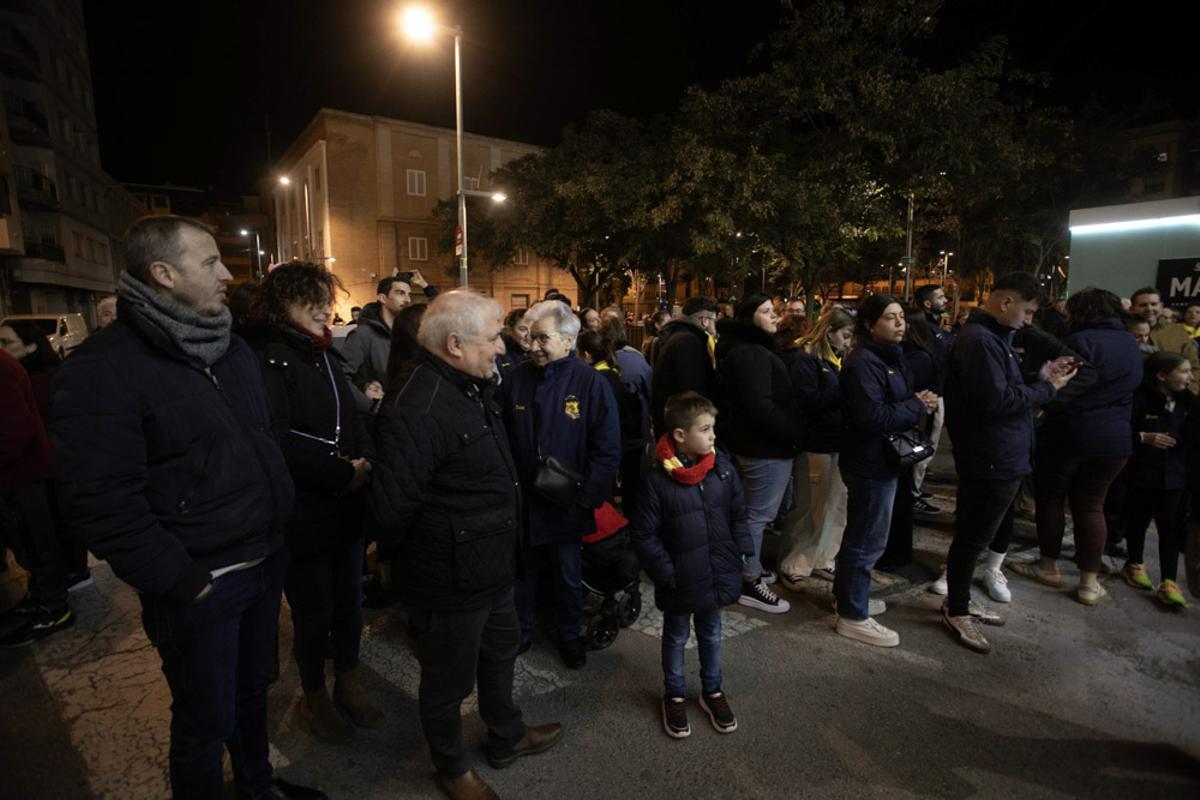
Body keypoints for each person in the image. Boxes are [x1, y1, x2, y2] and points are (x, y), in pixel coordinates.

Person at [49, 216, 321, 800]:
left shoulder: (231, 348)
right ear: (163, 274)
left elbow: (263, 440)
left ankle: (256, 786)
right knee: (205, 720)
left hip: (262, 561)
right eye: (210, 263)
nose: (228, 273)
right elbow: (98, 500)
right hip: (201, 585)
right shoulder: (102, 369)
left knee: (252, 694)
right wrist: (182, 579)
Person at [370, 290, 562, 800]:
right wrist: (430, 566)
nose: (503, 348)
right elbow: (391, 511)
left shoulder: (467, 385)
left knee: (500, 653)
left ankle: (506, 735)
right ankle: (452, 768)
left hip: (491, 565)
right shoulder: (418, 404)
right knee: (448, 681)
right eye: (495, 337)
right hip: (450, 578)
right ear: (454, 344)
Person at [242, 263, 381, 745]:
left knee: (349, 600)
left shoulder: (322, 352)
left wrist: (365, 458)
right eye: (312, 300)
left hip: (344, 506)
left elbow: (352, 415)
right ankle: (315, 693)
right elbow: (276, 439)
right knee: (312, 609)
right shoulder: (267, 356)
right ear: (283, 305)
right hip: (303, 510)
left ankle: (348, 678)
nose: (326, 307)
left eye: (327, 298)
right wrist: (345, 472)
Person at [941, 272, 1075, 654]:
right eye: (1028, 311)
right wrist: (1046, 389)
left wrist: (1040, 377)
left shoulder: (990, 339)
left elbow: (1003, 391)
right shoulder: (980, 341)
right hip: (991, 457)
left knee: (975, 535)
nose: (1028, 320)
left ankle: (960, 601)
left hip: (1002, 454)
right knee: (972, 537)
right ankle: (958, 607)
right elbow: (996, 402)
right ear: (1005, 303)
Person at [501, 300, 621, 668]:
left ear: (568, 342)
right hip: (524, 503)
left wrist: (587, 498)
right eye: (530, 338)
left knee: (568, 575)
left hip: (567, 504)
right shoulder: (516, 379)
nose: (533, 346)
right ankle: (521, 633)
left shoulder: (590, 383)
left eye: (542, 339)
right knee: (524, 573)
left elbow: (607, 446)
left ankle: (569, 635)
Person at [631, 392, 752, 739]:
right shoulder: (657, 479)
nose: (714, 435)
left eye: (713, 428)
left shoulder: (722, 470)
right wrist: (668, 574)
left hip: (715, 573)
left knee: (712, 632)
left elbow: (738, 516)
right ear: (681, 436)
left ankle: (712, 690)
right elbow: (645, 535)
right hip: (681, 579)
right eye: (705, 429)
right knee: (676, 635)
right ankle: (675, 692)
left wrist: (741, 553)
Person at [1008, 288, 1141, 606]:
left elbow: (1059, 387)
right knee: (1092, 506)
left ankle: (1048, 565)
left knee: (1051, 500)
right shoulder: (1129, 343)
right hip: (1114, 440)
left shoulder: (1080, 342)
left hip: (1070, 433)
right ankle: (1088, 582)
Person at [835, 295, 937, 646]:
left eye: (901, 317)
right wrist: (916, 404)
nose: (900, 324)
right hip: (869, 462)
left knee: (867, 537)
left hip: (882, 461)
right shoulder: (863, 362)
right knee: (866, 540)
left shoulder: (888, 358)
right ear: (869, 324)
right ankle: (852, 615)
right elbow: (872, 417)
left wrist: (913, 401)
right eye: (890, 318)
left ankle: (850, 599)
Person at [715, 293, 804, 614]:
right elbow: (759, 406)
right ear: (748, 316)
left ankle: (746, 569)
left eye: (773, 311)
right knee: (757, 515)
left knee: (750, 513)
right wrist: (793, 432)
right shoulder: (751, 352)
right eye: (766, 312)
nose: (774, 317)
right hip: (764, 447)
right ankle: (748, 580)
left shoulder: (747, 349)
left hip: (757, 444)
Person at [0, 321, 89, 590]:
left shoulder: (40, 378)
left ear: (30, 346)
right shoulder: (17, 373)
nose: (2, 348)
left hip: (43, 468)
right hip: (38, 469)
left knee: (46, 535)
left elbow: (19, 429)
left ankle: (59, 589)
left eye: (7, 343)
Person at [0, 349, 73, 648]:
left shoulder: (2, 369)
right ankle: (40, 595)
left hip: (21, 475)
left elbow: (15, 430)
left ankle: (55, 608)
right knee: (27, 541)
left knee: (35, 540)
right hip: (17, 474)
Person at [777, 305, 853, 589]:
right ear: (829, 332)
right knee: (812, 504)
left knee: (837, 505)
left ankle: (824, 557)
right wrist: (843, 389)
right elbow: (806, 401)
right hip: (817, 441)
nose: (848, 342)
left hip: (840, 441)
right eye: (845, 335)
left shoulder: (841, 359)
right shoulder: (806, 360)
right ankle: (796, 560)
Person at [1120, 351, 1193, 608]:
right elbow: (1122, 430)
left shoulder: (1189, 402)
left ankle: (1169, 580)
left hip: (1175, 475)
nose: (1190, 377)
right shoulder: (1140, 399)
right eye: (1184, 371)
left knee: (1170, 527)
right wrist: (1143, 437)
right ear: (1162, 375)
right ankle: (1134, 563)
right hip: (1143, 471)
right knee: (1138, 519)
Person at [342, 271, 436, 412]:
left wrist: (425, 285)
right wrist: (371, 404)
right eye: (400, 293)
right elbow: (342, 376)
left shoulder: (410, 331)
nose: (407, 300)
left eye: (408, 294)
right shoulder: (362, 334)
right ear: (382, 298)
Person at [601, 316, 653, 512]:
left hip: (607, 431)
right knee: (633, 480)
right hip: (635, 429)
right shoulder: (635, 359)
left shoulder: (597, 361)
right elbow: (649, 390)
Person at [912, 284, 954, 514]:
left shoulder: (934, 329)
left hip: (934, 394)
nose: (945, 299)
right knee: (922, 446)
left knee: (927, 446)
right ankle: (912, 492)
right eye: (940, 297)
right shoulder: (927, 330)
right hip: (929, 397)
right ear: (927, 304)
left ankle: (915, 488)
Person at [650, 297, 718, 435]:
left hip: (675, 422)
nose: (715, 325)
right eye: (714, 320)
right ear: (704, 320)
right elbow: (691, 387)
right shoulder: (688, 342)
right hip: (683, 426)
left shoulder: (679, 336)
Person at [1130, 287, 1200, 392]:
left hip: (1175, 395)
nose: (1149, 309)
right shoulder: (1123, 332)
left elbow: (1194, 364)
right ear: (1132, 308)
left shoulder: (1177, 331)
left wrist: (1191, 390)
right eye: (1143, 305)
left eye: (1154, 304)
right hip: (1137, 395)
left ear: (1161, 306)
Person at [496, 307, 531, 382]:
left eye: (532, 328)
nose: (529, 334)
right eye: (523, 329)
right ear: (510, 330)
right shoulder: (499, 352)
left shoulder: (542, 351)